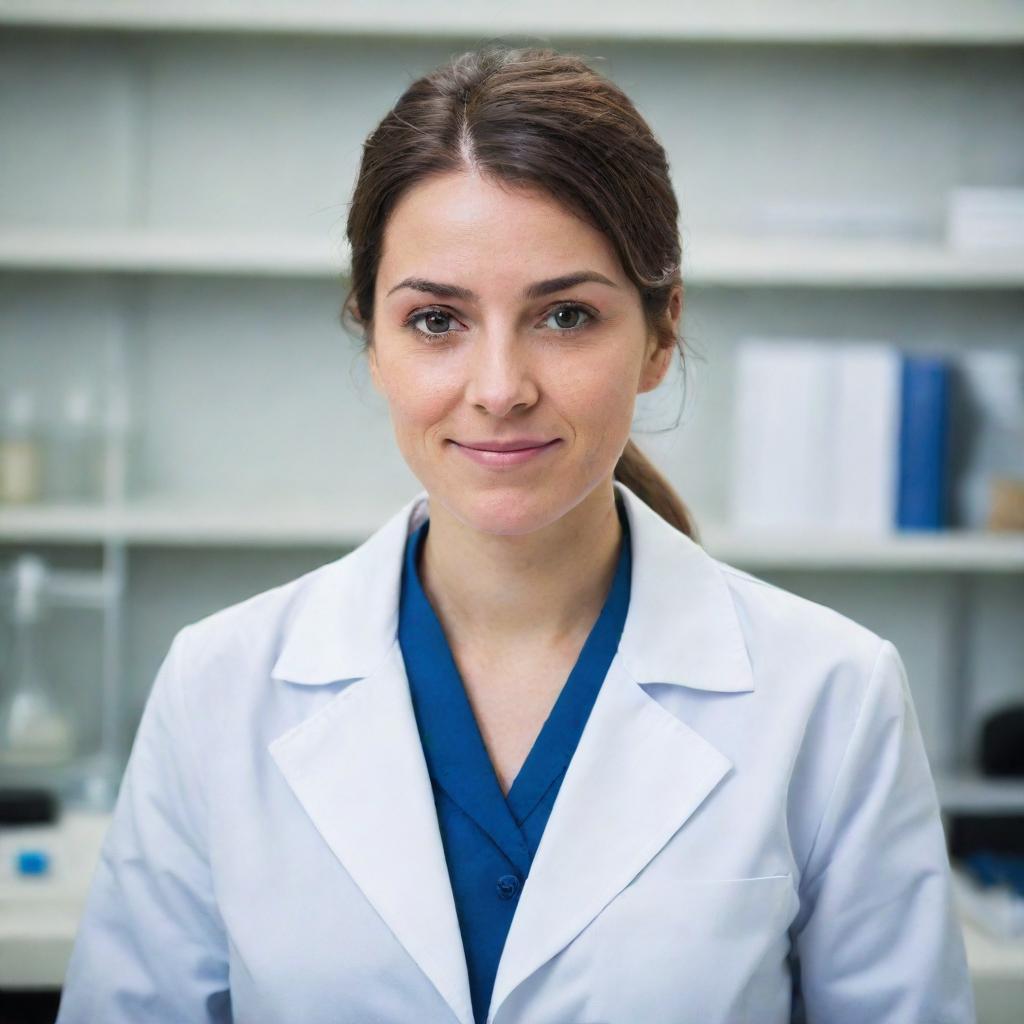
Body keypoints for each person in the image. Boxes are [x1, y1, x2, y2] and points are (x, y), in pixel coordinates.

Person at [56, 44, 975, 1024]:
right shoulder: (218, 688)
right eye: (437, 321)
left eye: (565, 315)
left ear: (660, 334)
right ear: (371, 338)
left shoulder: (829, 695)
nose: (499, 388)